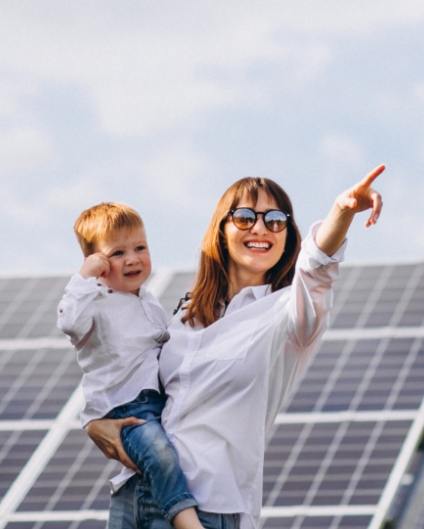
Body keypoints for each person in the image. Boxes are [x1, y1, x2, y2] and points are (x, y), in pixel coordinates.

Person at [87, 167, 385, 529]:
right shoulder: (183, 315)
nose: (260, 228)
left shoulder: (288, 316)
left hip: (208, 507)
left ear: (288, 236)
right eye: (245, 217)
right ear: (221, 230)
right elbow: (127, 375)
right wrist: (95, 423)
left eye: (276, 220)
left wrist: (342, 211)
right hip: (134, 495)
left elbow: (317, 270)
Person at [57, 202, 204, 529]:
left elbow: (164, 348)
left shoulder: (148, 302)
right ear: (97, 263)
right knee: (160, 454)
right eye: (118, 253)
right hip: (123, 409)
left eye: (140, 247)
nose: (133, 258)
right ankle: (186, 520)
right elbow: (68, 322)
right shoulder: (93, 303)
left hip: (155, 405)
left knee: (170, 454)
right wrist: (84, 276)